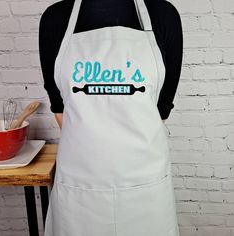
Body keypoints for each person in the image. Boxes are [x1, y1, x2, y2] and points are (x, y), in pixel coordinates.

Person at [39, 0, 183, 235]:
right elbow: (59, 108)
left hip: (145, 192)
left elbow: (161, 109)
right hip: (79, 192)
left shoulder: (163, 16)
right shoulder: (56, 19)